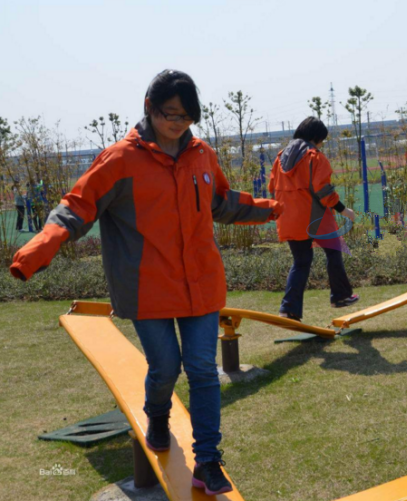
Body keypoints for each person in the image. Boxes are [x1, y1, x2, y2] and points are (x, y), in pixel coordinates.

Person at [9, 70, 282, 496]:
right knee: (165, 368)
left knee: (203, 372)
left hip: (201, 284)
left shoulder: (201, 154)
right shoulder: (119, 160)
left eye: (187, 116)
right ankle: (157, 413)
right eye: (170, 114)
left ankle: (208, 459)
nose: (178, 123)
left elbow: (222, 202)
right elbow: (76, 207)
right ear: (149, 107)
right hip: (146, 288)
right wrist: (41, 246)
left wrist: (268, 208)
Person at [269, 116, 358, 320]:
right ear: (316, 138)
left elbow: (271, 188)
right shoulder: (314, 157)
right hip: (314, 217)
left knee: (301, 262)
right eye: (321, 140)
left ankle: (289, 309)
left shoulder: (280, 158)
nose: (321, 145)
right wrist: (344, 211)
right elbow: (324, 191)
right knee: (334, 251)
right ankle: (341, 296)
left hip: (288, 216)